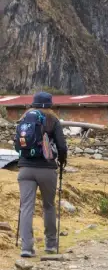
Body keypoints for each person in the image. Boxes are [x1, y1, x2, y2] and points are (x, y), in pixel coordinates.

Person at [15, 92, 67, 257]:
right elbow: (62, 146)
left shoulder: (24, 119)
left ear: (33, 104)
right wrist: (62, 161)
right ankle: (50, 244)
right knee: (49, 206)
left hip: (25, 169)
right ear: (49, 105)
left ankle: (26, 248)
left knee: (26, 208)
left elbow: (17, 146)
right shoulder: (53, 120)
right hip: (47, 169)